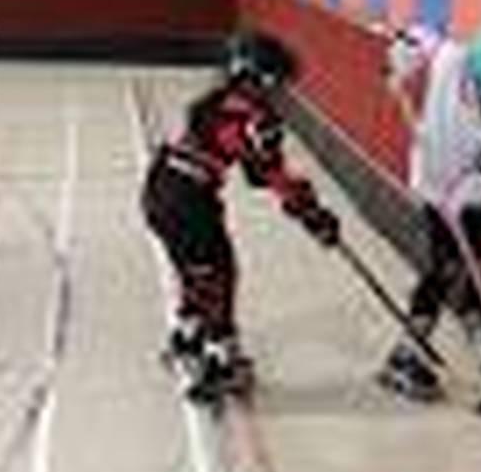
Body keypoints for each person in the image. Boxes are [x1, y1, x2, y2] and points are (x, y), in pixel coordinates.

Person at [141, 30, 341, 402]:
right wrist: (312, 213)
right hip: (190, 200)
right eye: (277, 83)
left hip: (159, 187)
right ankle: (221, 364)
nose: (279, 92)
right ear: (259, 78)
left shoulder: (211, 100)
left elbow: (251, 170)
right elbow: (268, 173)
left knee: (195, 270)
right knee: (219, 275)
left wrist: (301, 203)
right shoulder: (258, 120)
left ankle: (186, 339)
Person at [374, 16, 481, 404]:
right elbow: (418, 36)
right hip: (434, 183)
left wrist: (473, 190)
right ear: (477, 67)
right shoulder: (450, 60)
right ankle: (405, 353)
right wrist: (399, 62)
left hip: (474, 188)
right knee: (443, 268)